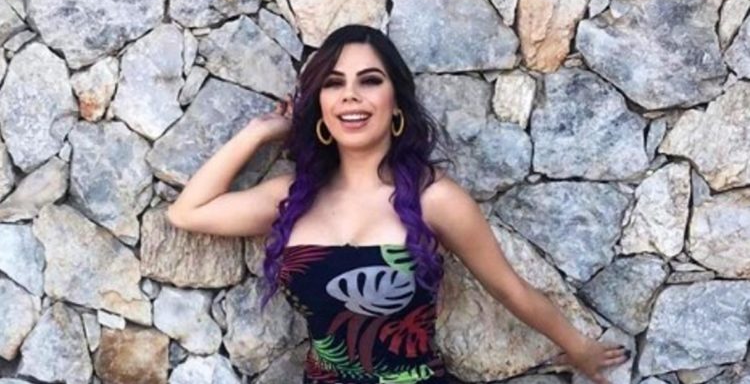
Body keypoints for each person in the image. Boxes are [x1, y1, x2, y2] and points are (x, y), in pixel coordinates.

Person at [166, 24, 630, 384]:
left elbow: (510, 289)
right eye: (333, 83)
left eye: (370, 81)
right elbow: (187, 212)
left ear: (396, 104)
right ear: (320, 105)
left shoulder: (434, 198)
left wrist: (579, 347)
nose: (350, 95)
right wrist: (260, 132)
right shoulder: (293, 196)